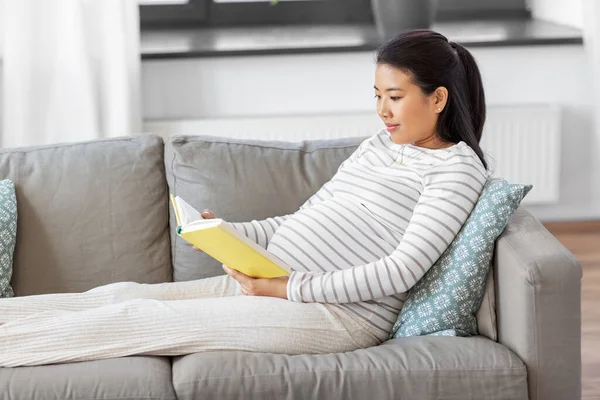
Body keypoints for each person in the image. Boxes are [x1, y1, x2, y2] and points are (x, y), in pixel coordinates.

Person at [0, 29, 491, 368]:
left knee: (135, 319)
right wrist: (231, 234)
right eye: (377, 94)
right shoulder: (379, 145)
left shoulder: (457, 170)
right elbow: (307, 218)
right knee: (119, 296)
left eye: (395, 96)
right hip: (270, 282)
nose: (382, 110)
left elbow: (402, 270)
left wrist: (287, 288)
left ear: (439, 98)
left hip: (335, 315)